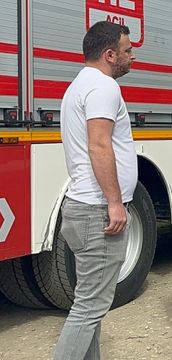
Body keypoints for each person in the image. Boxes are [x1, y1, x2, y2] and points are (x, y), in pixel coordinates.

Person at [54, 22, 137, 360]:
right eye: (128, 50)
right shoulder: (103, 87)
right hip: (97, 213)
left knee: (90, 305)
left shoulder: (78, 86)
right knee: (89, 307)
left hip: (83, 208)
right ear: (109, 54)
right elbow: (99, 146)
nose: (132, 56)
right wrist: (115, 204)